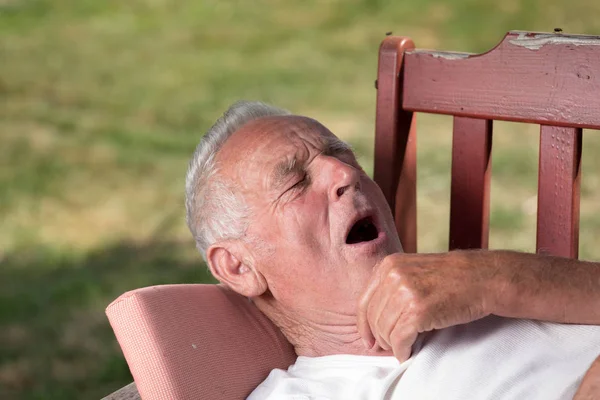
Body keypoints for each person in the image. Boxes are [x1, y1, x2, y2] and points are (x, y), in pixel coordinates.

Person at [184, 101, 600, 399]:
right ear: (238, 267)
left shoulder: (492, 286)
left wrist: (495, 279)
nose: (346, 173)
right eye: (294, 184)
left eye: (343, 156)